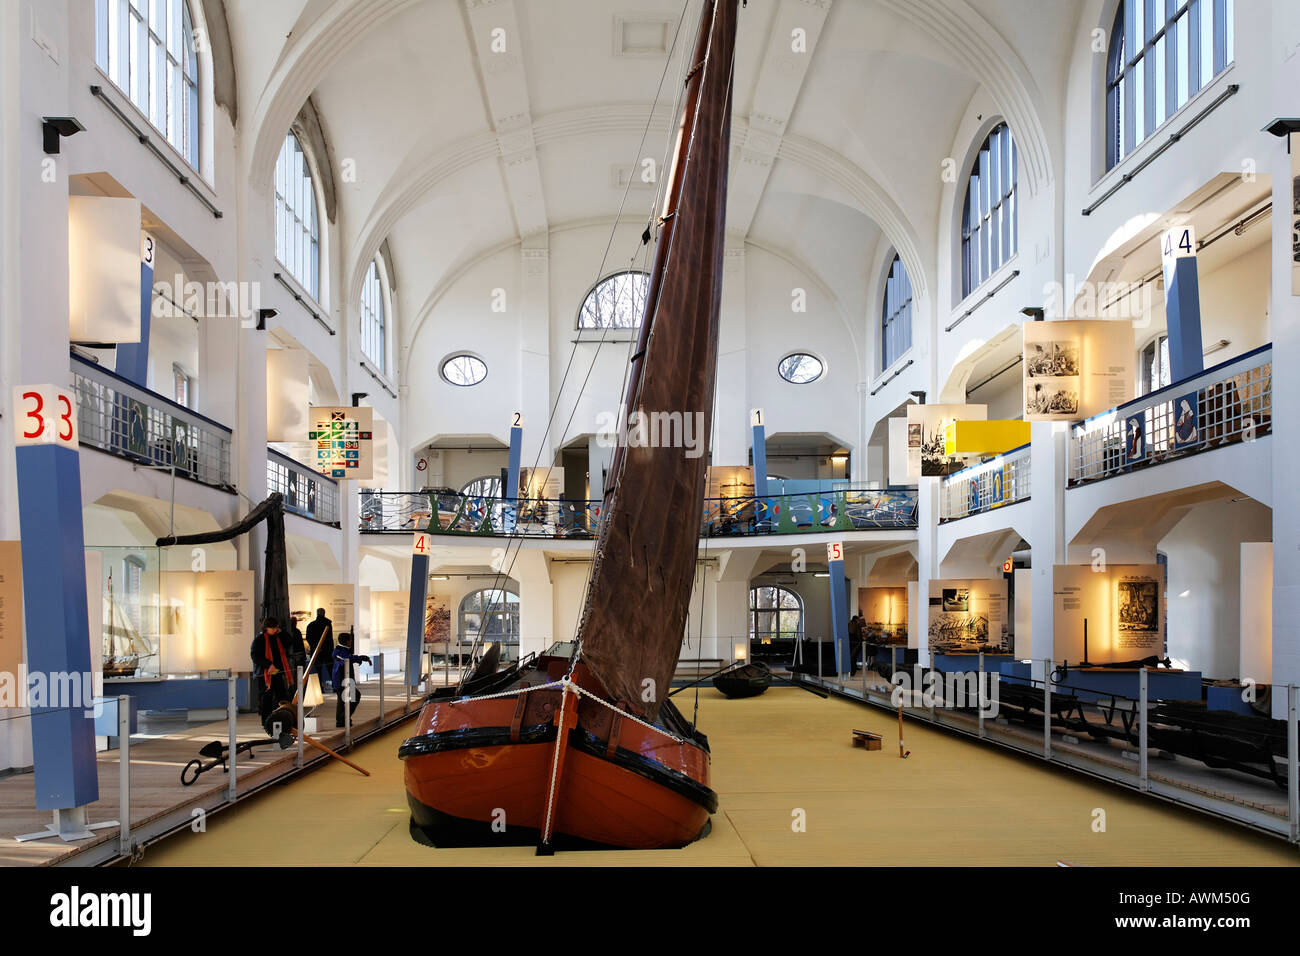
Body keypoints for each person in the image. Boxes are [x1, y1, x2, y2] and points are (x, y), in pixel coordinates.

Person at [251, 617, 302, 724]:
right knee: (266, 698)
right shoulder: (259, 639)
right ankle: (266, 721)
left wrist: (281, 632)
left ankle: (285, 718)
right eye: (273, 628)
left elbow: (289, 642)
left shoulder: (277, 637)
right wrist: (268, 665)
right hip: (265, 674)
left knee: (282, 695)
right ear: (266, 628)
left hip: (277, 671)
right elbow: (255, 656)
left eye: (276, 628)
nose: (275, 630)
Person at [332, 631, 372, 728]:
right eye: (350, 640)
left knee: (349, 698)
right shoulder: (337, 651)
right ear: (346, 641)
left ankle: (344, 719)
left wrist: (360, 659)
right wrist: (362, 658)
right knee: (344, 699)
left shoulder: (344, 650)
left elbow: (348, 658)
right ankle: (342, 720)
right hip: (341, 680)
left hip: (347, 679)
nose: (351, 642)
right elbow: (346, 659)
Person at [305, 608, 335, 691]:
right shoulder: (328, 623)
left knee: (318, 670)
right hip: (327, 650)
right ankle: (335, 686)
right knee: (330, 669)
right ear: (324, 613)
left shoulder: (311, 625)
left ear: (317, 614)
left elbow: (308, 638)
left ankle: (320, 688)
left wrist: (315, 647)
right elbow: (330, 638)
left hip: (317, 650)